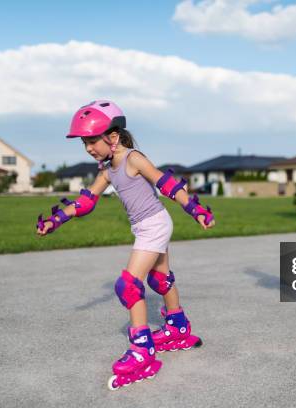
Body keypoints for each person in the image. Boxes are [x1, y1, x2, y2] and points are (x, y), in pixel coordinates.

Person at [35, 100, 215, 389]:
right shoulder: (107, 170)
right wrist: (54, 221)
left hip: (154, 224)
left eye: (93, 140)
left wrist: (196, 210)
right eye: (85, 143)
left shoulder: (133, 159)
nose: (89, 148)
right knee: (160, 278)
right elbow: (85, 201)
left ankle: (142, 350)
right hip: (148, 226)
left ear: (113, 137)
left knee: (128, 285)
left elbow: (165, 183)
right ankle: (177, 327)